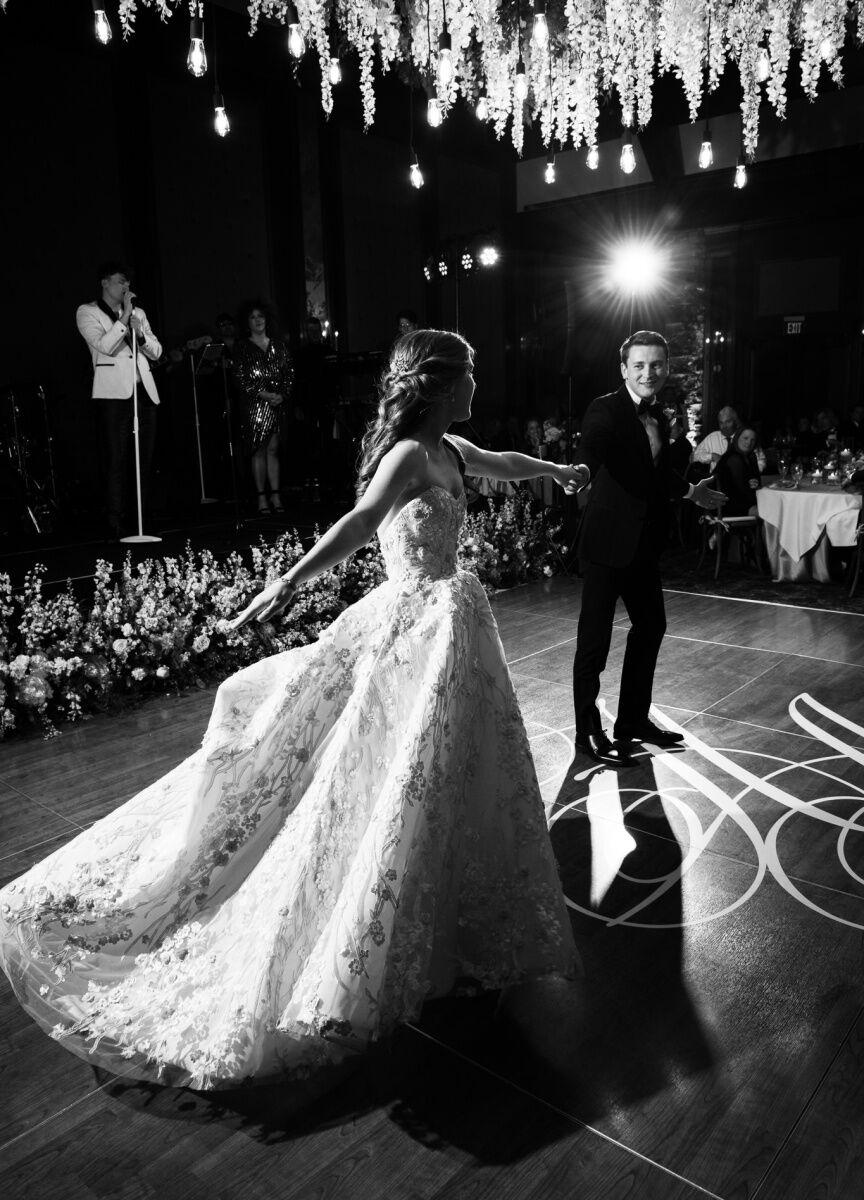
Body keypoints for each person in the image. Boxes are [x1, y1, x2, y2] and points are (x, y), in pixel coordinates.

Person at [0, 329, 586, 1091]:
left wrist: (559, 468)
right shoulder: (408, 456)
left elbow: (503, 463)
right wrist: (289, 582)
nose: (480, 381)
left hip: (449, 625)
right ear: (441, 383)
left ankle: (440, 913)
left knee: (443, 775)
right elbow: (359, 524)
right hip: (412, 627)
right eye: (470, 372)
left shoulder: (451, 448)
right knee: (383, 775)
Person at [570, 331, 726, 765]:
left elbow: (652, 477)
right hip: (605, 544)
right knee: (594, 642)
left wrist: (691, 491)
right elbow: (593, 447)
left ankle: (632, 720)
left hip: (641, 546)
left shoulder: (659, 415)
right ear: (624, 370)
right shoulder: (605, 408)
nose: (647, 373)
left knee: (651, 627)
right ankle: (587, 732)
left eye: (655, 365)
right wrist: (581, 471)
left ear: (666, 367)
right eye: (638, 365)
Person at [76, 262, 162, 540]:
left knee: (144, 459)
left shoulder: (139, 313)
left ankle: (142, 517)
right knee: (117, 459)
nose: (125, 287)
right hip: (113, 395)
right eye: (119, 282)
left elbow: (156, 351)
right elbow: (105, 346)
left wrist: (139, 331)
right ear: (104, 283)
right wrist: (124, 318)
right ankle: (116, 521)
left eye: (127, 283)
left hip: (143, 391)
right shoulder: (87, 312)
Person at [232, 300, 294, 515]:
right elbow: (240, 378)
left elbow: (289, 374)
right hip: (254, 404)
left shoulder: (279, 345)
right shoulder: (241, 347)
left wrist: (281, 395)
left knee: (273, 450)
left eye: (260, 316)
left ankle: (276, 495)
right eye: (253, 317)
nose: (258, 320)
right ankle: (261, 498)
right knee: (258, 450)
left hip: (277, 403)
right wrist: (262, 394)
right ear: (247, 322)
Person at [713, 427, 762, 516]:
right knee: (769, 511)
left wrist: (754, 485)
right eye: (745, 438)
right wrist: (751, 486)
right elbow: (740, 490)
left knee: (772, 508)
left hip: (742, 500)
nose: (749, 443)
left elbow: (756, 483)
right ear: (737, 438)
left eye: (753, 440)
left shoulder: (751, 456)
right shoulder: (734, 458)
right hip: (727, 505)